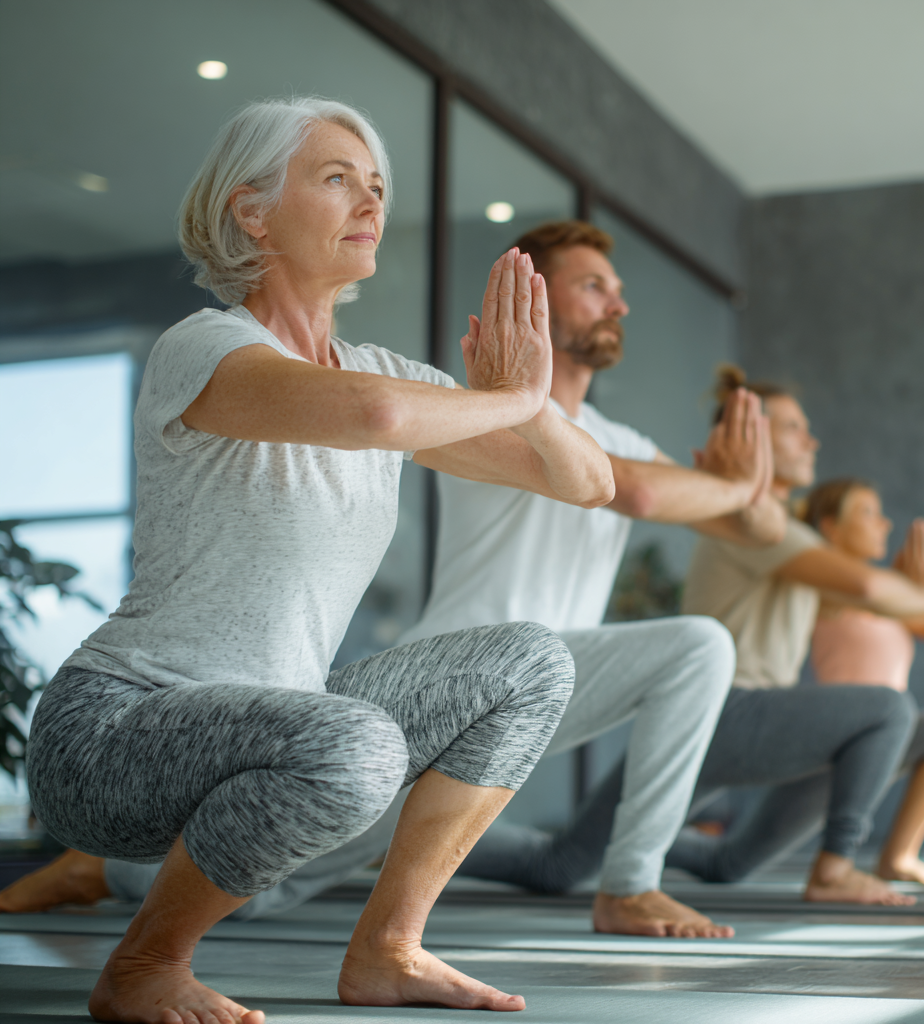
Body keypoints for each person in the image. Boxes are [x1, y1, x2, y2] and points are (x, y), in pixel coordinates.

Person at [3, 96, 616, 1022]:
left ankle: (389, 949)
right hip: (114, 733)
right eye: (337, 180)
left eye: (376, 186)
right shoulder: (206, 346)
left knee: (532, 662)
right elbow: (375, 419)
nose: (370, 201)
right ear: (252, 211)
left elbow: (587, 481)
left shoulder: (390, 375)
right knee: (359, 744)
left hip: (288, 723)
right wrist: (509, 393)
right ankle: (144, 965)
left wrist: (527, 401)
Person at [400, 220, 789, 939]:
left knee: (697, 648)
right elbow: (637, 492)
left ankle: (631, 887)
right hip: (448, 682)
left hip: (546, 686)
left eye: (618, 291)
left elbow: (759, 531)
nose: (619, 305)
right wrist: (732, 487)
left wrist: (745, 486)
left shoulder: (621, 438)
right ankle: (120, 870)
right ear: (537, 303)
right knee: (272, 877)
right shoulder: (489, 406)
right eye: (593, 287)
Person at [499, 366, 924, 905]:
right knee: (886, 710)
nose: (811, 439)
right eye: (795, 427)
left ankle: (632, 845)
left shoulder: (794, 540)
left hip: (743, 721)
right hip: (728, 712)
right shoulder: (747, 520)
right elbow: (870, 585)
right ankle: (835, 868)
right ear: (752, 435)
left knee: (570, 864)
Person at [804, 478, 924, 890]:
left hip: (884, 740)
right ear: (830, 526)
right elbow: (868, 590)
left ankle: (899, 856)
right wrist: (921, 592)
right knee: (728, 862)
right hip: (836, 745)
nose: (884, 524)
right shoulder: (824, 582)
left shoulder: (887, 593)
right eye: (868, 513)